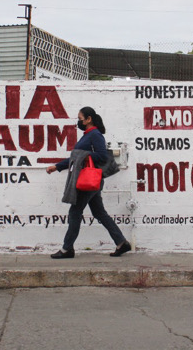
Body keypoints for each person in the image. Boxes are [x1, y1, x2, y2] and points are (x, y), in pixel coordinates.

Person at [45, 106, 132, 259]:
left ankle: (67, 249)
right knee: (99, 213)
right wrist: (57, 166)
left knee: (74, 212)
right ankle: (121, 242)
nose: (79, 122)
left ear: (88, 119)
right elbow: (75, 158)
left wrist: (85, 155)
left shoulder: (95, 135)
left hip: (89, 181)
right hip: (92, 182)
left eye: (80, 119)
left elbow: (102, 156)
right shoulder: (87, 135)